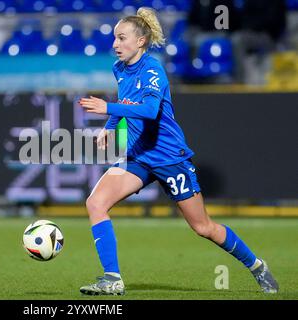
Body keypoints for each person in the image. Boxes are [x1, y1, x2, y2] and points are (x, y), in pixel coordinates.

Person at [78, 7, 279, 296]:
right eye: (115, 38)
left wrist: (106, 108)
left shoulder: (153, 69)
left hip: (170, 159)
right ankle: (112, 278)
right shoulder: (119, 68)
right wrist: (110, 126)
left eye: (122, 38)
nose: (115, 44)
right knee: (95, 203)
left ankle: (257, 265)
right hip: (139, 156)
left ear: (140, 41)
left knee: (203, 227)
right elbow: (126, 100)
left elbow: (148, 110)